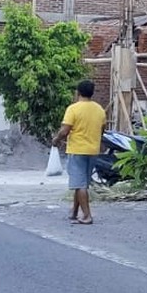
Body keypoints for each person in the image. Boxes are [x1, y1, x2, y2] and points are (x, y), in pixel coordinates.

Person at [50, 80, 105, 225]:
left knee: (80, 184)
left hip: (77, 149)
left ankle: (87, 216)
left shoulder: (73, 109)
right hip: (93, 150)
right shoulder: (99, 109)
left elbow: (65, 130)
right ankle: (74, 212)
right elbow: (102, 129)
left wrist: (56, 139)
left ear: (78, 92)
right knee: (82, 182)